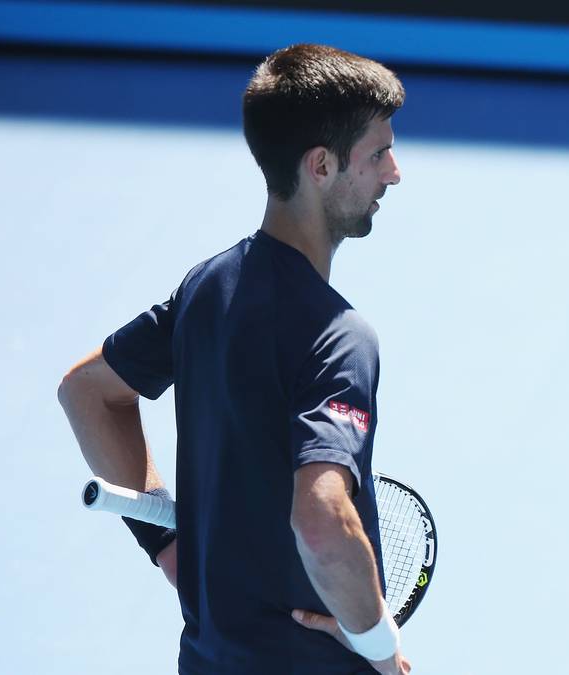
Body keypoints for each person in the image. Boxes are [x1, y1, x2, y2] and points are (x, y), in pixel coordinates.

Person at [57, 44, 410, 675]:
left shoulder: (208, 288)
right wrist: (381, 651)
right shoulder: (341, 338)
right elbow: (325, 522)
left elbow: (88, 391)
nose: (394, 172)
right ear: (321, 165)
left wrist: (166, 541)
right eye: (378, 152)